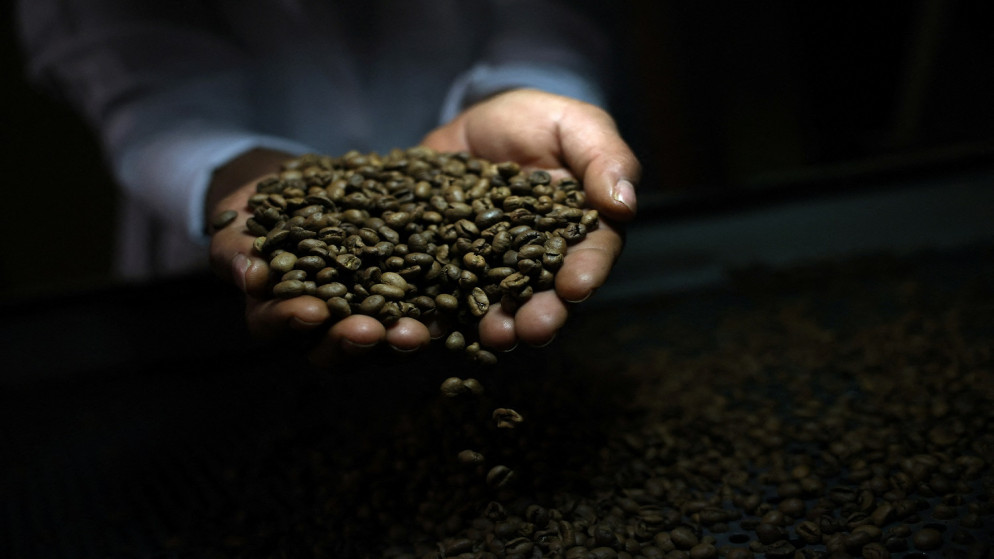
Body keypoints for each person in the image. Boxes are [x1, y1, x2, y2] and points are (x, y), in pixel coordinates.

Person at [18, 1, 640, 366]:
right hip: (199, 273)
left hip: (493, 156)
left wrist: (528, 86)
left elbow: (551, 14)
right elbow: (126, 68)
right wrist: (235, 170)